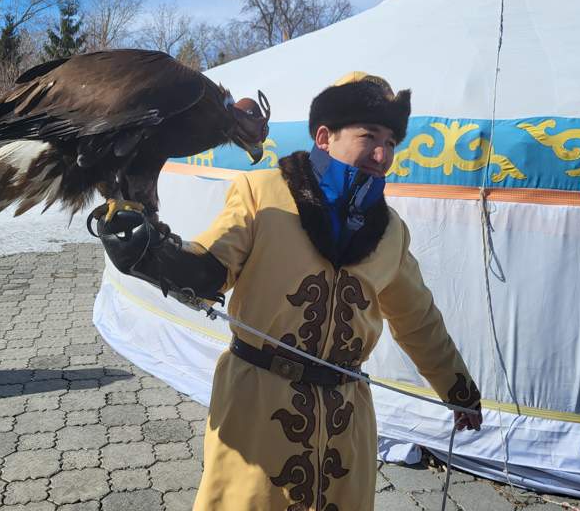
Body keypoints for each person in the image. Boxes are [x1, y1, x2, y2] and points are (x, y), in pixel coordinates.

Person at [97, 71, 482, 511]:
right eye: (368, 135)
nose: (382, 153)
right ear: (324, 136)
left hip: (345, 417)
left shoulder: (390, 230)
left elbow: (418, 318)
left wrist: (457, 389)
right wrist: (154, 254)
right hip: (258, 405)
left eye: (392, 141)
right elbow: (210, 267)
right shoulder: (262, 193)